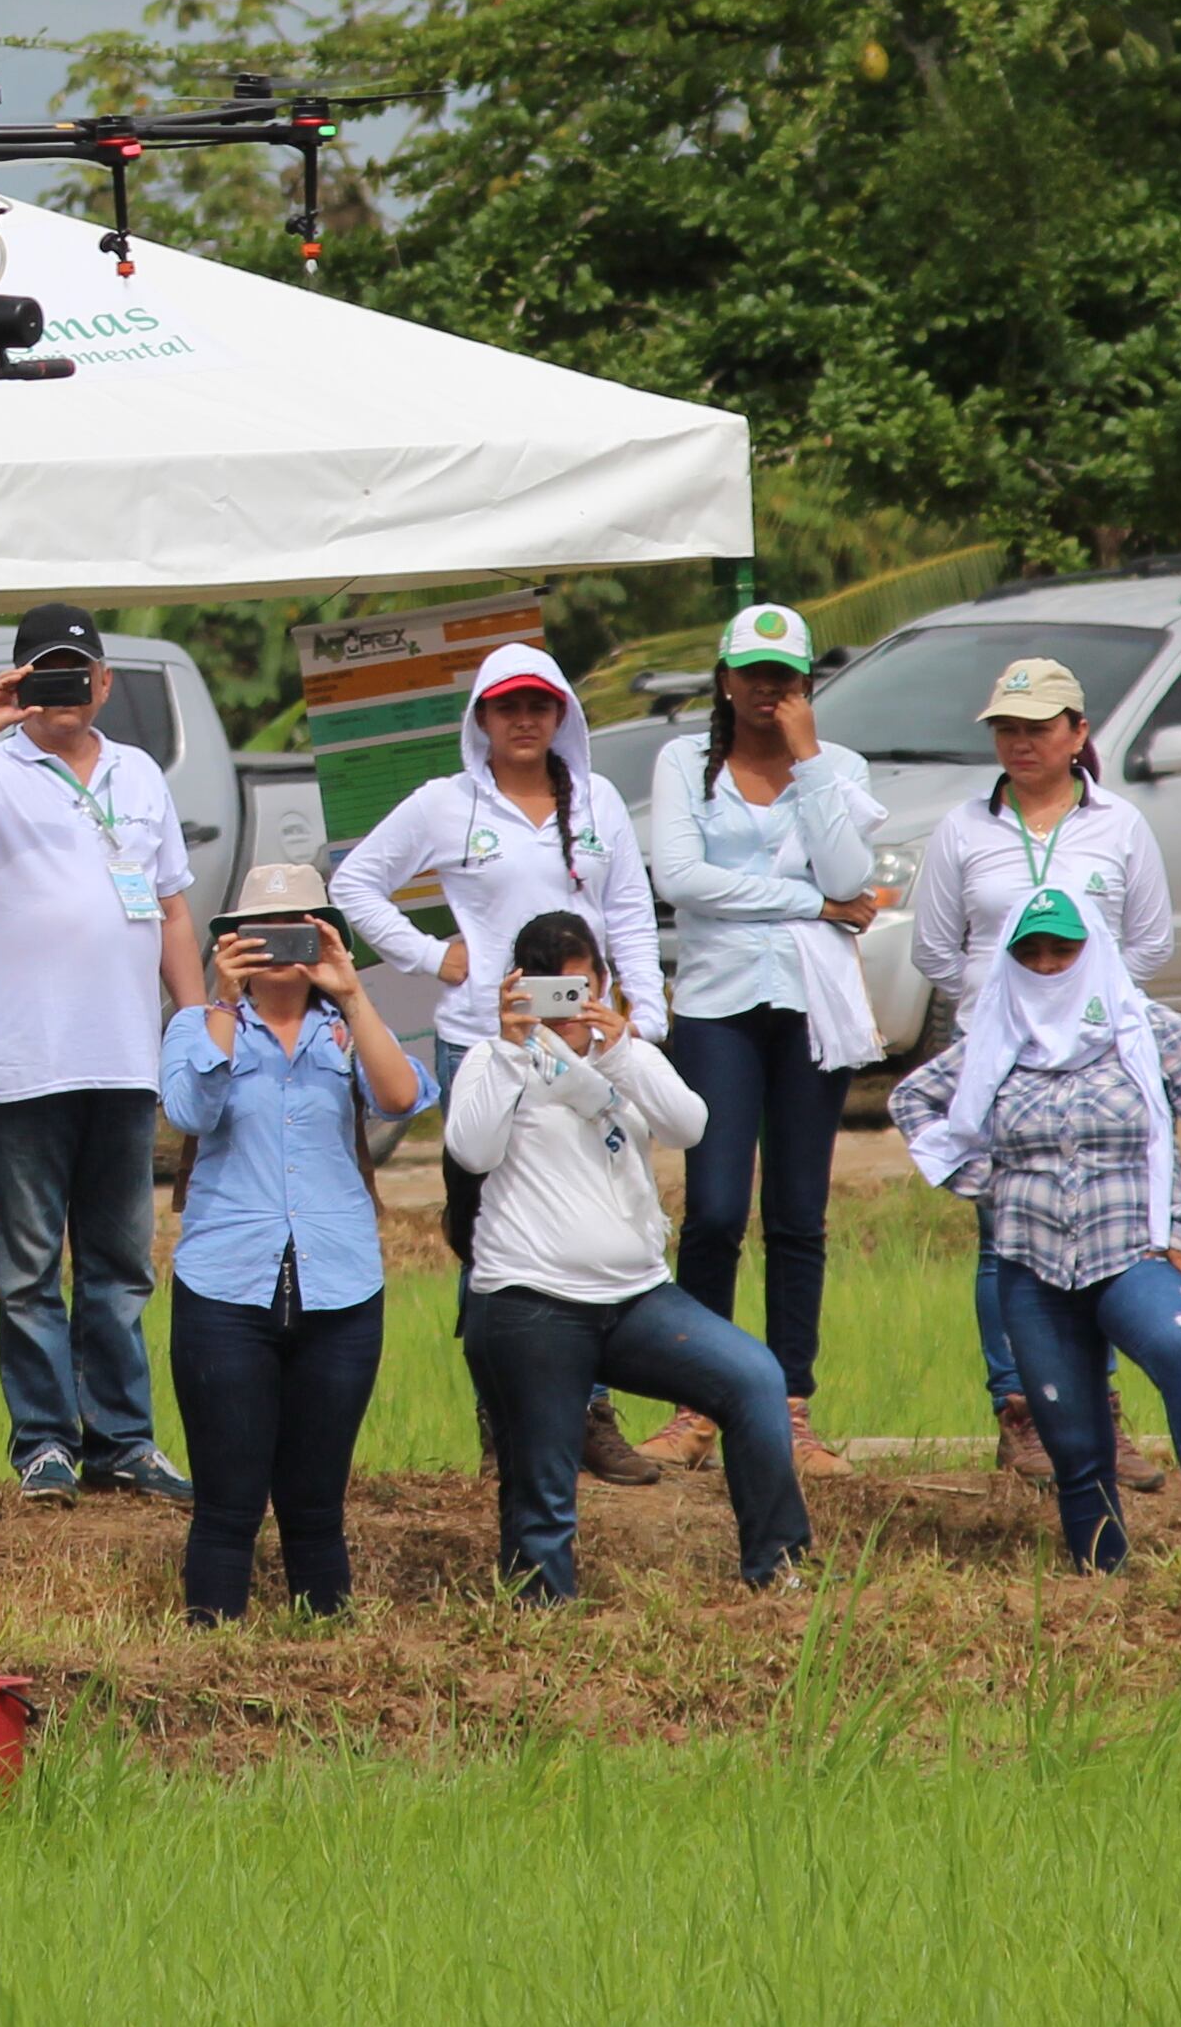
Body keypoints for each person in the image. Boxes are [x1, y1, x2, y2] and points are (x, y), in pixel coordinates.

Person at [332, 640, 667, 1483]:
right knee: (489, 1232)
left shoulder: (596, 802)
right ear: (480, 716)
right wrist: (427, 953)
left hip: (585, 1040)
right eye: (506, 705)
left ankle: (589, 1410)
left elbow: (628, 911)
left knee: (591, 1218)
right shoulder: (447, 804)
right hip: (487, 1037)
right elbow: (354, 883)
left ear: (562, 715)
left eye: (539, 705)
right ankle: (504, 1421)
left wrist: (645, 1014)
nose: (523, 720)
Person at [0, 603, 202, 1505]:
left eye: (77, 672)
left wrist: (192, 1026)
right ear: (18, 682)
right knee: (28, 1267)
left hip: (123, 1058)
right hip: (28, 1060)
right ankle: (44, 1444)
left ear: (105, 683)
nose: (64, 689)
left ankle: (123, 1440)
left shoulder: (141, 772)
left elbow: (174, 906)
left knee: (119, 1264)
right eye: (45, 673)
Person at [894, 887, 1181, 1573]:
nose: (1046, 964)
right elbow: (911, 1097)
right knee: (1071, 1438)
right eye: (1030, 952)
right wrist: (979, 1183)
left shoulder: (1148, 1029)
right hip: (1032, 1265)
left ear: (1093, 950)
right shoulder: (993, 1039)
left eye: (1063, 949)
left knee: (1179, 1352)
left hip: (1136, 1250)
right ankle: (1106, 1576)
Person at [449, 909, 808, 1599]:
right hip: (531, 1301)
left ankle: (781, 1568)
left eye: (580, 989)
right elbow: (471, 1148)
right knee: (545, 1487)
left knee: (755, 1378)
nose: (568, 1010)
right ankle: (541, 1608)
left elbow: (691, 1125)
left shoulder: (629, 1056)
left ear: (605, 983)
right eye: (551, 992)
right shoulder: (491, 1061)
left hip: (638, 1297)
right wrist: (510, 1044)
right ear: (518, 988)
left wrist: (619, 1053)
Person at [904, 653, 1180, 1483]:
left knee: (1104, 1233)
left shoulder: (1119, 825)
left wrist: (1082, 1005)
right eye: (1007, 729)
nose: (1020, 742)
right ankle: (1020, 1410)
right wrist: (1006, 1008)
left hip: (1098, 1061)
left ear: (1077, 733)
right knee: (1005, 1238)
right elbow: (934, 948)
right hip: (999, 1062)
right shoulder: (963, 829)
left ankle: (1101, 1413)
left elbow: (1150, 941)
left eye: (1037, 727)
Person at [637, 603, 885, 1480]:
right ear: (724, 678)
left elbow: (856, 876)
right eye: (753, 675)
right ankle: (698, 1403)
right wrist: (809, 903)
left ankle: (791, 1407)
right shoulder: (683, 762)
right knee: (710, 1209)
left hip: (811, 1006)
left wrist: (812, 762)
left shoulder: (839, 767)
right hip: (718, 1003)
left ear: (806, 684)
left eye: (784, 678)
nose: (767, 692)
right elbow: (682, 880)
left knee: (795, 1213)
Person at [155, 864, 424, 1624]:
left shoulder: (345, 1028)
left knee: (316, 1502)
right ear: (232, 940)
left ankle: (329, 1657)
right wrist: (221, 999)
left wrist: (352, 990)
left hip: (339, 1283)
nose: (281, 946)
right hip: (224, 1283)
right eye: (261, 931)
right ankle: (211, 1648)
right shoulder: (196, 1025)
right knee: (226, 1503)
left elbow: (399, 1097)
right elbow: (191, 1108)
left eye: (300, 927)